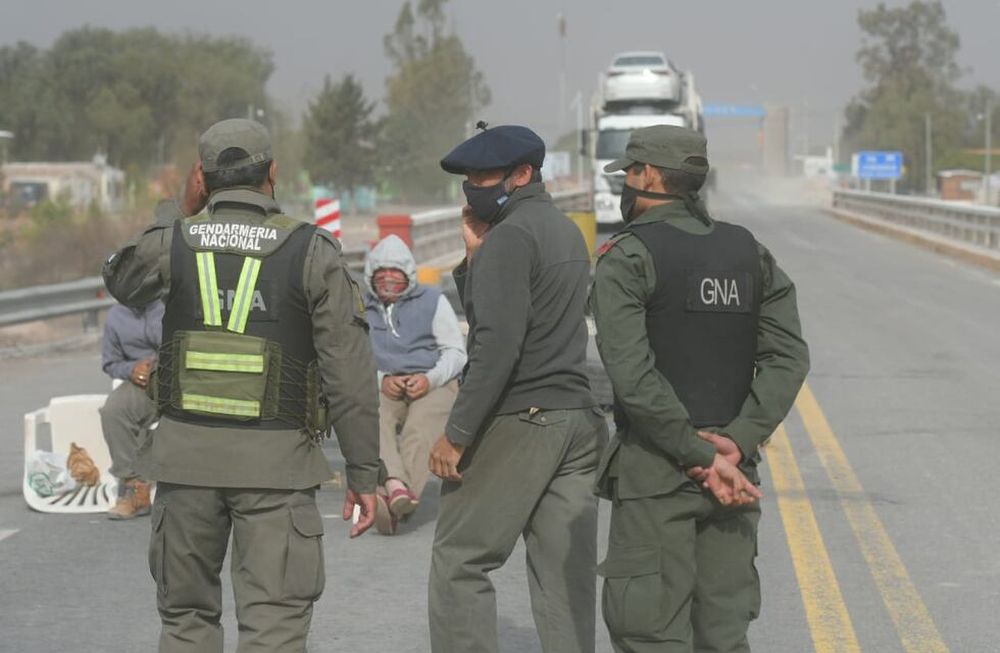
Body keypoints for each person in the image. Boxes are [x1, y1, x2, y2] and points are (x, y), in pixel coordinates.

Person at [102, 118, 381, 653]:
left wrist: (177, 210)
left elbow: (121, 281)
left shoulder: (175, 241)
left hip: (185, 468)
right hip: (277, 470)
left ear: (201, 179)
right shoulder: (313, 250)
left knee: (185, 621)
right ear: (273, 172)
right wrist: (365, 475)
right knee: (274, 627)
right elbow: (349, 374)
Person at [590, 124, 810, 653]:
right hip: (735, 476)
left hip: (657, 475)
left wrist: (696, 453)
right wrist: (737, 441)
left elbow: (634, 377)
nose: (626, 186)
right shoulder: (747, 252)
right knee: (723, 635)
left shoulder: (627, 257)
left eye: (628, 174)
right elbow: (789, 355)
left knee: (651, 634)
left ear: (645, 176)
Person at [427, 124, 608, 653]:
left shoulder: (511, 236)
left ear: (523, 174)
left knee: (461, 560)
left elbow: (496, 344)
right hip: (575, 422)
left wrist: (456, 434)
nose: (472, 187)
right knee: (562, 574)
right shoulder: (563, 230)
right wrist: (474, 258)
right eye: (468, 177)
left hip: (521, 416)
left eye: (483, 175)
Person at [362, 234, 466, 535]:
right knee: (372, 415)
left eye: (396, 274)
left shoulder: (433, 300)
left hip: (432, 380)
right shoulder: (358, 306)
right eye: (382, 274)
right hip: (383, 382)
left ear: (408, 275)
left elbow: (456, 353)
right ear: (371, 276)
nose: (389, 281)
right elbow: (350, 357)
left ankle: (396, 493)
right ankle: (397, 486)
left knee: (420, 430)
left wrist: (428, 378)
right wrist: (381, 381)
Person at [99, 298, 163, 520]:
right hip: (142, 385)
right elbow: (110, 362)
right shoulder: (116, 316)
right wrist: (131, 369)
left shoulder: (171, 303)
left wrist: (157, 365)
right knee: (113, 411)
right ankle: (135, 488)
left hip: (175, 377)